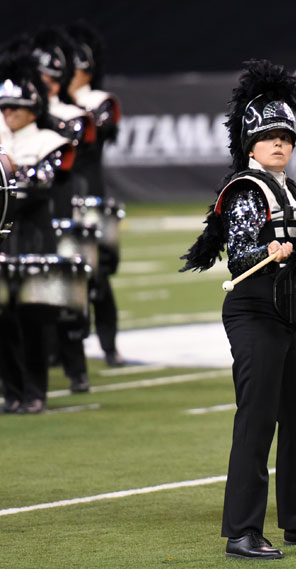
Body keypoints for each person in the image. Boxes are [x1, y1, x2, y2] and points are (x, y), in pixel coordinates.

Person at [180, 60, 296, 559]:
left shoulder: (293, 189)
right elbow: (242, 251)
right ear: (249, 143)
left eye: (286, 136)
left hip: (289, 315)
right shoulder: (244, 190)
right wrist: (272, 252)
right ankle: (242, 532)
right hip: (254, 314)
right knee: (257, 422)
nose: (279, 144)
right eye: (268, 136)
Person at [0, 50, 75, 414]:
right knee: (2, 320)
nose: (7, 113)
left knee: (32, 319)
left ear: (32, 108)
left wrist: (11, 172)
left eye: (15, 107)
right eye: (3, 107)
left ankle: (36, 392)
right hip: (3, 241)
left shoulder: (50, 142)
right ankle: (11, 391)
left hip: (33, 240)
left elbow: (38, 187)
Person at [32, 27, 96, 392]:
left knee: (68, 295)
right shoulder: (15, 119)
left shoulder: (71, 116)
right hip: (28, 219)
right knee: (28, 298)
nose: (47, 83)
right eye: (41, 78)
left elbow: (77, 147)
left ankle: (76, 368)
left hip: (61, 210)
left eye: (52, 78)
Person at [66, 20, 125, 367]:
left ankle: (109, 345)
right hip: (59, 197)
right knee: (64, 275)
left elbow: (98, 130)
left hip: (90, 195)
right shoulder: (49, 105)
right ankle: (63, 350)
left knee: (98, 276)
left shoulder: (99, 102)